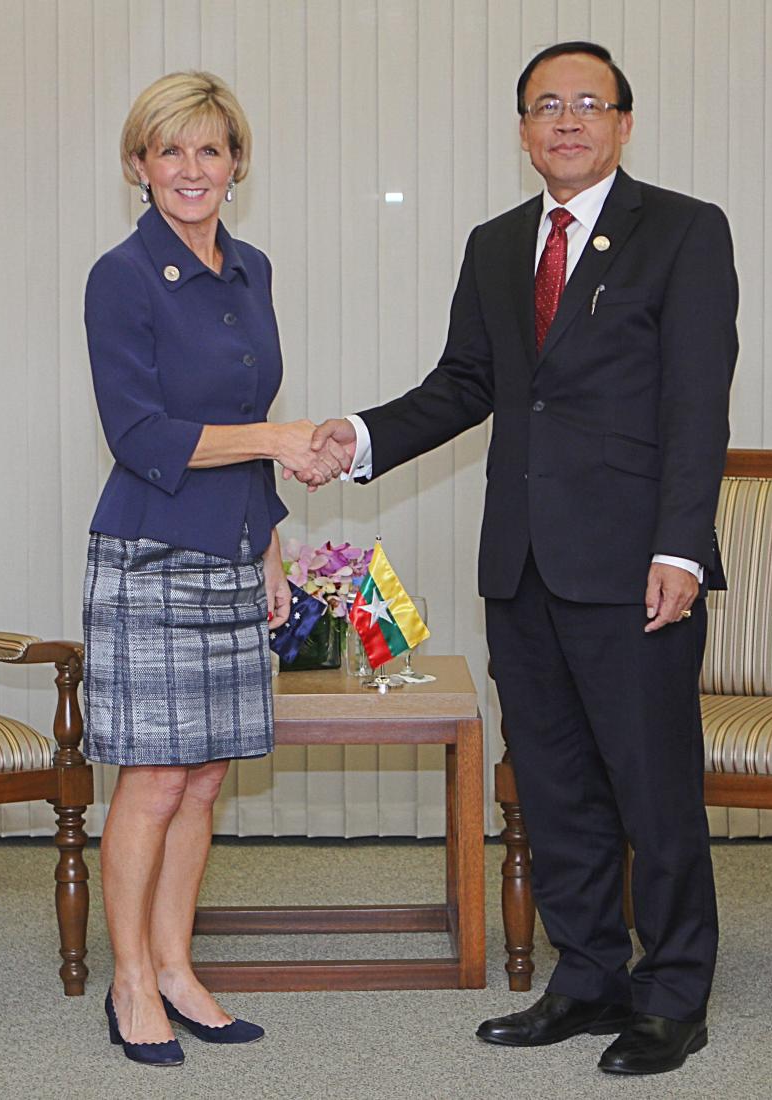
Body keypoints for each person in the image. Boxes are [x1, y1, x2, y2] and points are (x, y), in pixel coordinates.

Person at [311, 42, 737, 1076]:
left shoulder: (682, 230)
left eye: (588, 103)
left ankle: (675, 992)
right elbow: (465, 383)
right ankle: (588, 975)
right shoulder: (497, 244)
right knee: (553, 788)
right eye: (546, 105)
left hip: (637, 566)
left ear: (624, 123)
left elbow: (695, 402)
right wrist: (358, 438)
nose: (567, 119)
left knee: (654, 787)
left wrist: (682, 545)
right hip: (523, 566)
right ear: (522, 129)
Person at [82, 70, 345, 1067]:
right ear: (137, 165)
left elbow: (242, 428)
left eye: (210, 149)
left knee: (205, 778)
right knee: (153, 777)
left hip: (235, 547)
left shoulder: (253, 269)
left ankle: (180, 964)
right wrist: (280, 437)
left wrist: (271, 535)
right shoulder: (123, 275)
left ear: (237, 163)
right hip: (149, 550)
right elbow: (142, 433)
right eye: (170, 150)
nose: (191, 169)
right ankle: (131, 978)